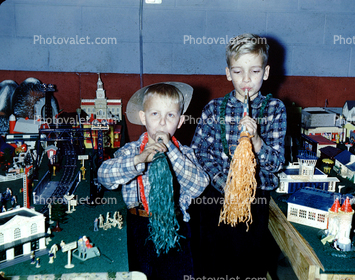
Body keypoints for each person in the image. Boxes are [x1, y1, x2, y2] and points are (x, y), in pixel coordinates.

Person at [191, 33, 287, 278]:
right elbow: (200, 153)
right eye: (238, 72)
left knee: (249, 265)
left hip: (254, 201)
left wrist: (256, 141)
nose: (246, 80)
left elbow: (275, 163)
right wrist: (228, 184)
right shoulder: (213, 109)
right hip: (216, 199)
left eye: (254, 72)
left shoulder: (275, 109)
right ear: (227, 73)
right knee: (212, 264)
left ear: (265, 73)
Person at [98, 82, 209, 280]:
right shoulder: (131, 151)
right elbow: (104, 177)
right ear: (143, 117)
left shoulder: (185, 154)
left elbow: (199, 185)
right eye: (155, 114)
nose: (162, 123)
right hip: (138, 227)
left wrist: (172, 152)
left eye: (170, 115)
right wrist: (138, 160)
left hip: (175, 227)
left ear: (180, 121)